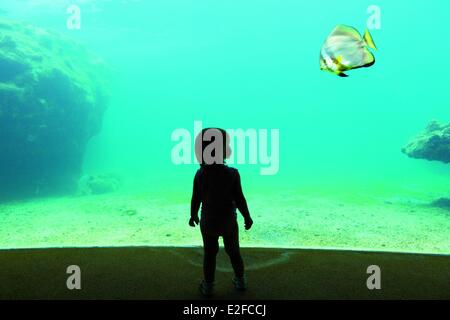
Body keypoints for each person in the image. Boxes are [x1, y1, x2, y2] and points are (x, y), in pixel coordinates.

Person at [189, 128, 253, 297]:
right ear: (222, 150)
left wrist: (193, 214)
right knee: (234, 252)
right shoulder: (232, 174)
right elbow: (240, 199)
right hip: (228, 222)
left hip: (208, 222)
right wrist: (247, 216)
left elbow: (195, 198)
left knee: (209, 254)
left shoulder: (200, 174)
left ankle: (208, 286)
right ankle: (240, 281)